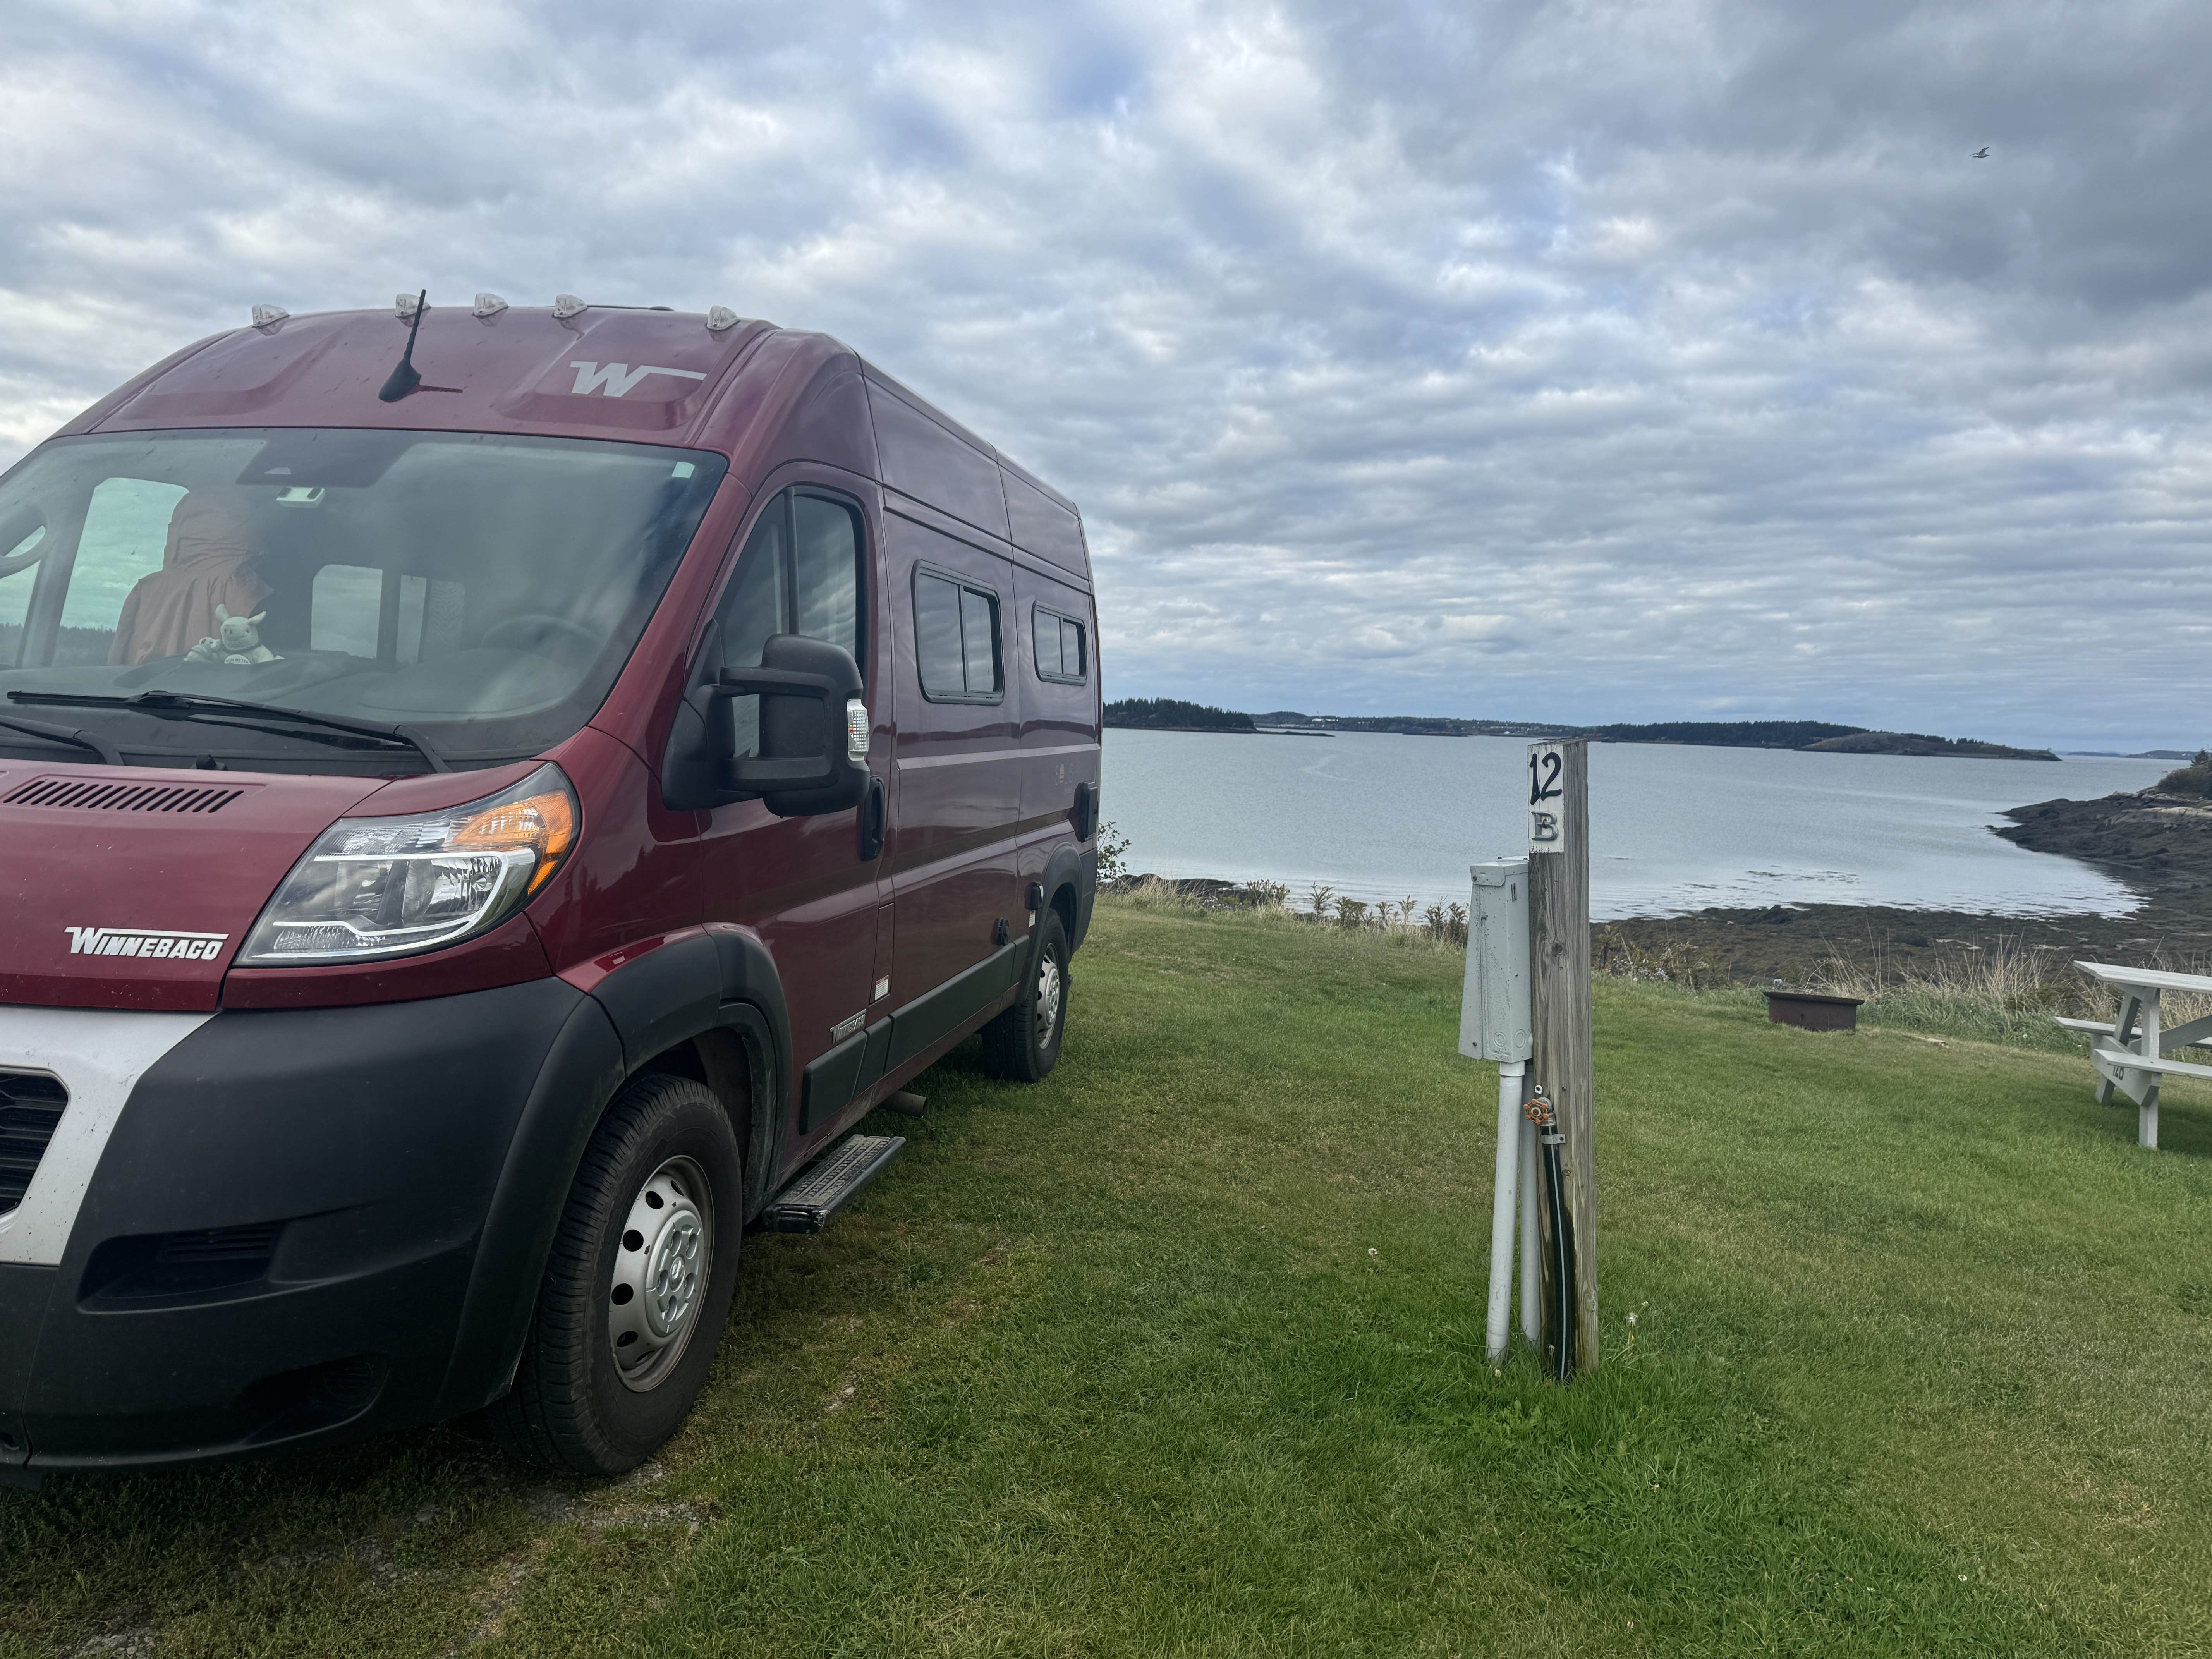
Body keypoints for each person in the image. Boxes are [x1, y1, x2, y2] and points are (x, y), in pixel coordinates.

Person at [108, 493, 268, 665]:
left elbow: (115, 664)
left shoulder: (145, 588)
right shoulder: (247, 587)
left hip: (136, 691)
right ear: (250, 530)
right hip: (208, 692)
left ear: (177, 531)